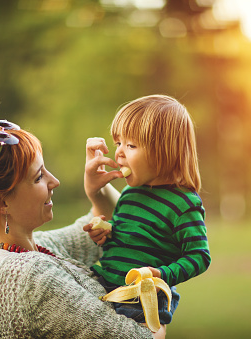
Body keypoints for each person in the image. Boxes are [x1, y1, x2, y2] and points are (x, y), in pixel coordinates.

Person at [0, 120, 166, 338]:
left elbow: (110, 227)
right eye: (38, 177)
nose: (54, 181)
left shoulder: (33, 249)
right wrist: (159, 296)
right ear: (2, 202)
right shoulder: (29, 277)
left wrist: (96, 189)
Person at [84, 95, 211, 327]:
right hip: (107, 281)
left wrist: (162, 274)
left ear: (164, 151)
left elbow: (200, 257)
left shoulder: (184, 204)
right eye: (118, 143)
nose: (120, 152)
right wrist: (106, 233)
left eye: (131, 145)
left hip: (143, 298)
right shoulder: (130, 195)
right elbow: (130, 238)